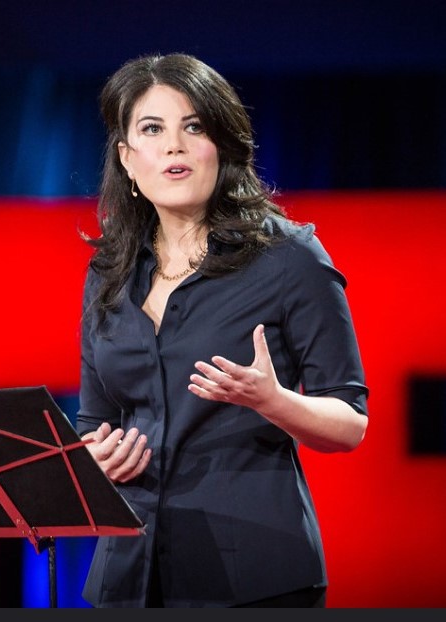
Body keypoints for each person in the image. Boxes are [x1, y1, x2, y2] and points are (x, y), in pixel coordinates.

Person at [75, 52, 369, 608]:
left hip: (253, 574)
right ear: (127, 158)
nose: (174, 146)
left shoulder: (288, 258)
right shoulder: (108, 272)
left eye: (194, 126)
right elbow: (94, 422)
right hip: (129, 573)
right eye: (152, 129)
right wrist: (93, 457)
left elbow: (349, 424)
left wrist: (272, 400)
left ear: (223, 147)